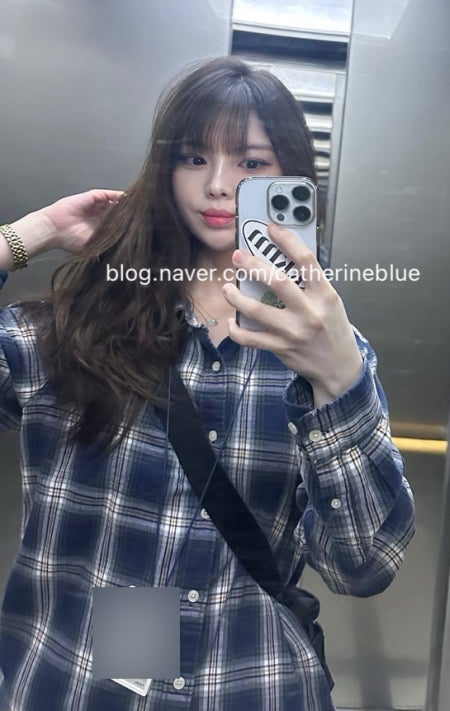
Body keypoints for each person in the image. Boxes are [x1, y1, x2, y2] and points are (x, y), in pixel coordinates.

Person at [0, 57, 415, 710]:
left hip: (251, 681)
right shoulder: (70, 329)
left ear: (290, 179)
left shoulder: (329, 354)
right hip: (84, 683)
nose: (219, 185)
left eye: (251, 162)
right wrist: (31, 235)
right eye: (194, 158)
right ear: (162, 171)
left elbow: (362, 563)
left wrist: (339, 380)